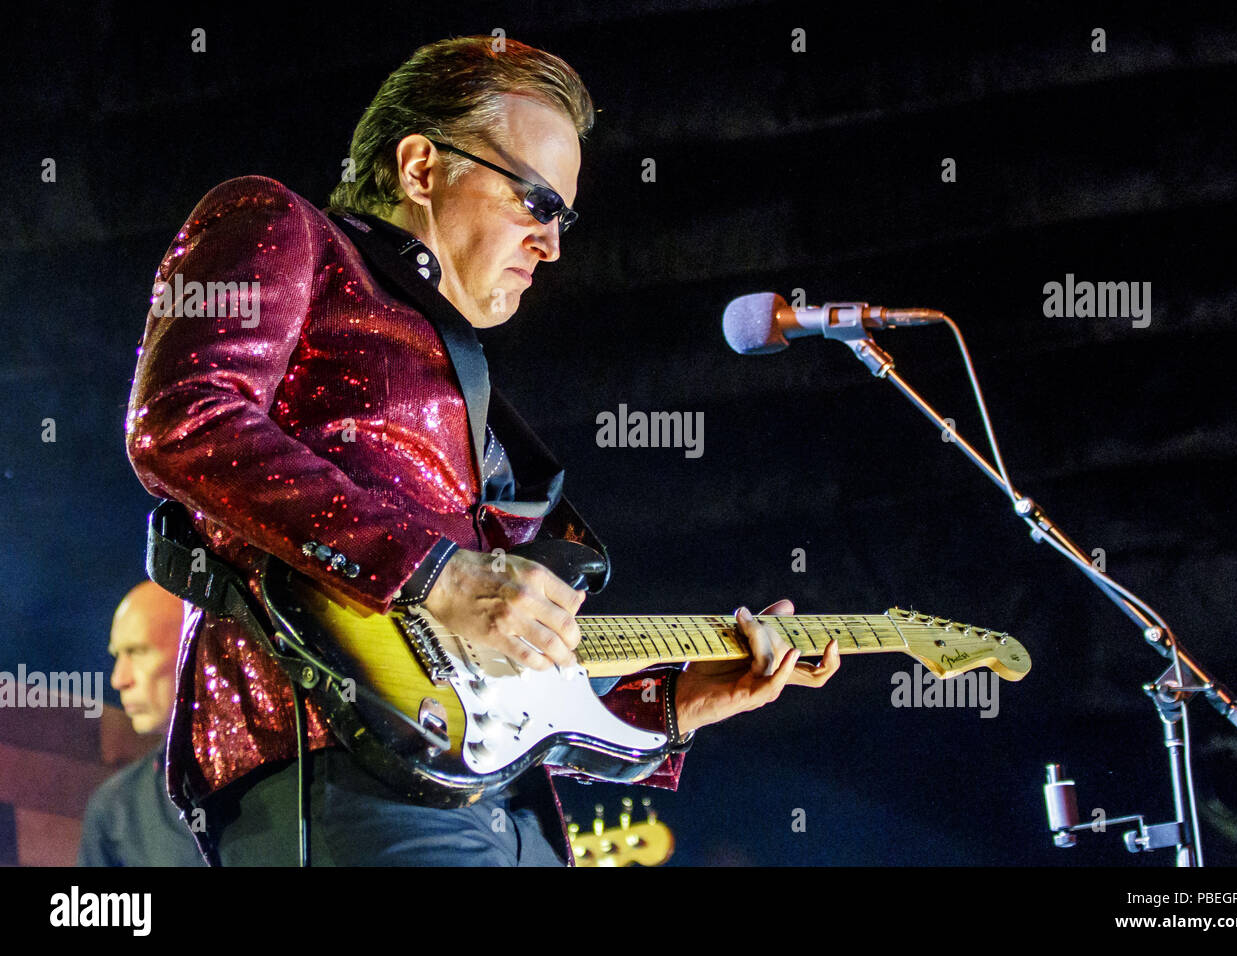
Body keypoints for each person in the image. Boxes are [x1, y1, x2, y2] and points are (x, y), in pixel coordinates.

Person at [124, 36, 839, 866]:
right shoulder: (282, 224)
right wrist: (434, 571)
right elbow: (184, 418)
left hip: (509, 809)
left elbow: (515, 696)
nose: (553, 244)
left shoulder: (474, 409)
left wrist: (685, 700)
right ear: (422, 166)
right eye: (537, 201)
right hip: (336, 769)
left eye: (565, 219)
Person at [77, 581, 206, 866]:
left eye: (137, 651)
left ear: (197, 646)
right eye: (117, 655)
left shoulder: (292, 779)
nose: (118, 679)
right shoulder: (114, 808)